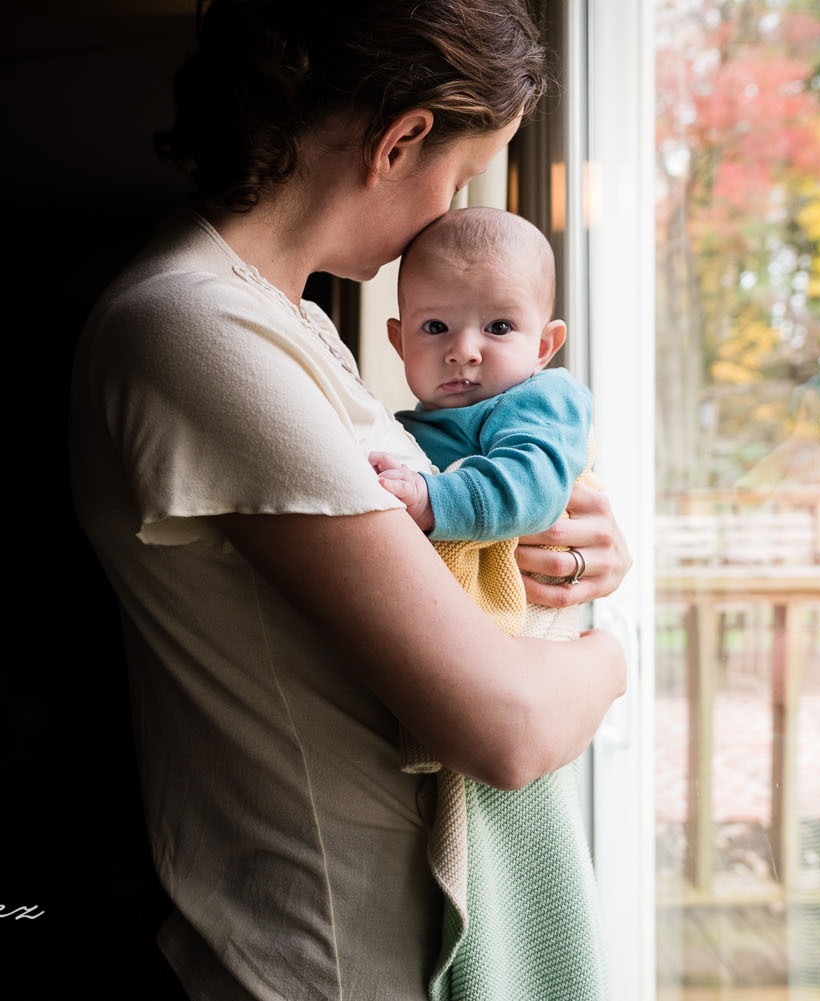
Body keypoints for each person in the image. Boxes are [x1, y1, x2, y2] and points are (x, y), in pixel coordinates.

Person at [68, 2, 632, 999]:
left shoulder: (281, 323)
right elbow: (504, 726)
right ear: (402, 138)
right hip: (325, 958)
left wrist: (560, 558)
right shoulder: (198, 331)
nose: (455, 211)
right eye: (458, 178)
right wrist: (611, 648)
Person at [371, 206, 610, 1001]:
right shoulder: (412, 425)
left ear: (544, 345)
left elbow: (532, 486)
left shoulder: (543, 403)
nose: (464, 350)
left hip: (528, 634)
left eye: (499, 325)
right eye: (436, 326)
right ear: (400, 340)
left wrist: (432, 502)